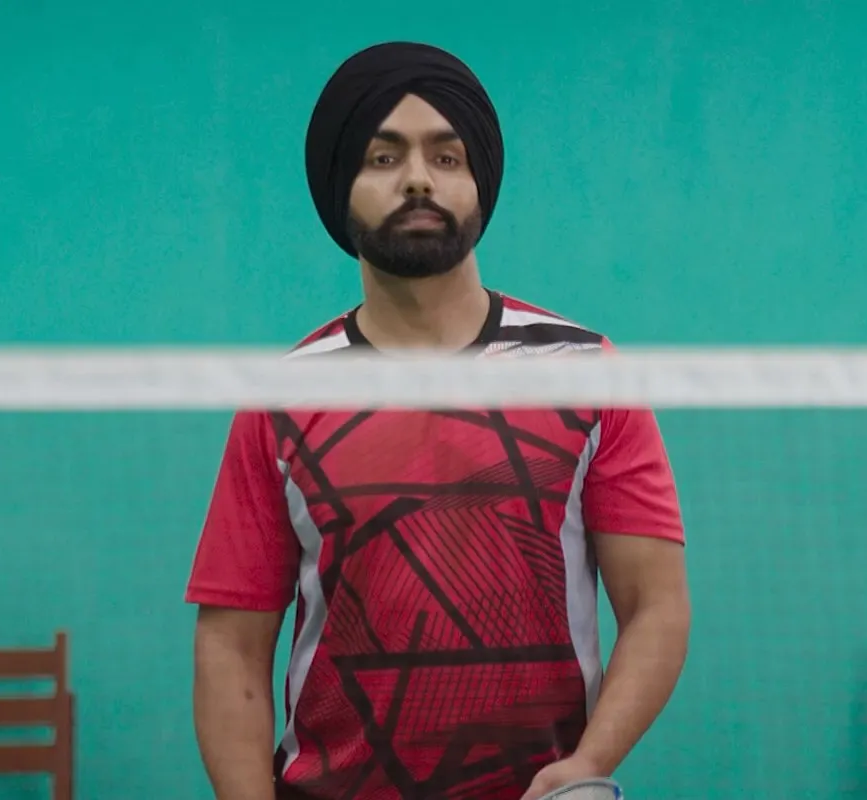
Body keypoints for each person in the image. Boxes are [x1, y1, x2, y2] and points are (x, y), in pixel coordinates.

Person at [184, 42, 691, 800]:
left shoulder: (587, 372)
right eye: (384, 157)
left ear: (480, 181)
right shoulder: (281, 398)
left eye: (446, 157)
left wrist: (588, 764)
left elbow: (656, 606)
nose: (418, 178)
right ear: (339, 186)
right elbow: (231, 648)